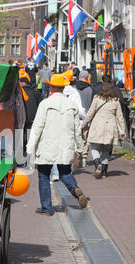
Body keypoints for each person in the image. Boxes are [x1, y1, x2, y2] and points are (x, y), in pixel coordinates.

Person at [27, 74, 88, 216]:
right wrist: (79, 148)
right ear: (63, 88)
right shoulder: (71, 106)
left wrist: (30, 147)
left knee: (43, 176)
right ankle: (74, 189)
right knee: (65, 173)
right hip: (65, 147)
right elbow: (76, 130)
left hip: (47, 146)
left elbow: (37, 127)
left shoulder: (45, 104)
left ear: (51, 87)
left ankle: (47, 208)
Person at [82, 81, 127, 179]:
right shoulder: (116, 100)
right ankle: (104, 172)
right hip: (110, 126)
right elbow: (120, 117)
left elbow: (90, 112)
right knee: (106, 150)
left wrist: (84, 124)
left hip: (97, 124)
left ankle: (97, 163)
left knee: (94, 147)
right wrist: (122, 131)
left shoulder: (97, 98)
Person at [75, 70, 94, 167]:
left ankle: (77, 158)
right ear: (87, 77)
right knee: (86, 140)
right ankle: (84, 159)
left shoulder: (74, 88)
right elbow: (92, 105)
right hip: (87, 117)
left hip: (75, 118)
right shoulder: (90, 90)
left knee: (76, 139)